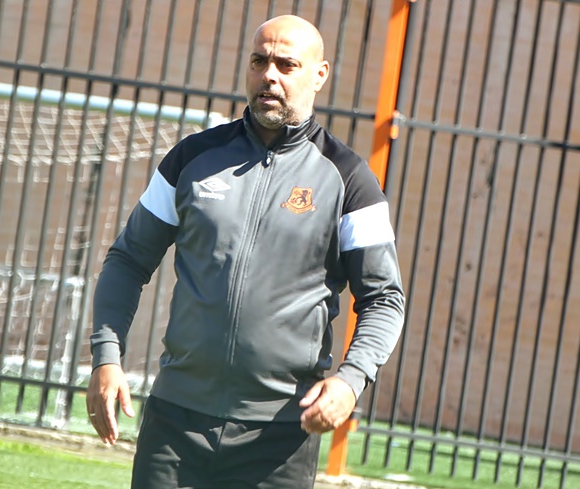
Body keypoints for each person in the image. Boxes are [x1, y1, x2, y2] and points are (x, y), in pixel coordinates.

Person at [86, 14, 405, 489]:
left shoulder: (350, 179)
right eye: (259, 61)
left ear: (319, 75)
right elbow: (128, 260)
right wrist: (106, 356)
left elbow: (384, 298)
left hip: (280, 436)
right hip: (176, 423)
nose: (269, 75)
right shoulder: (192, 158)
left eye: (286, 64)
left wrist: (349, 380)